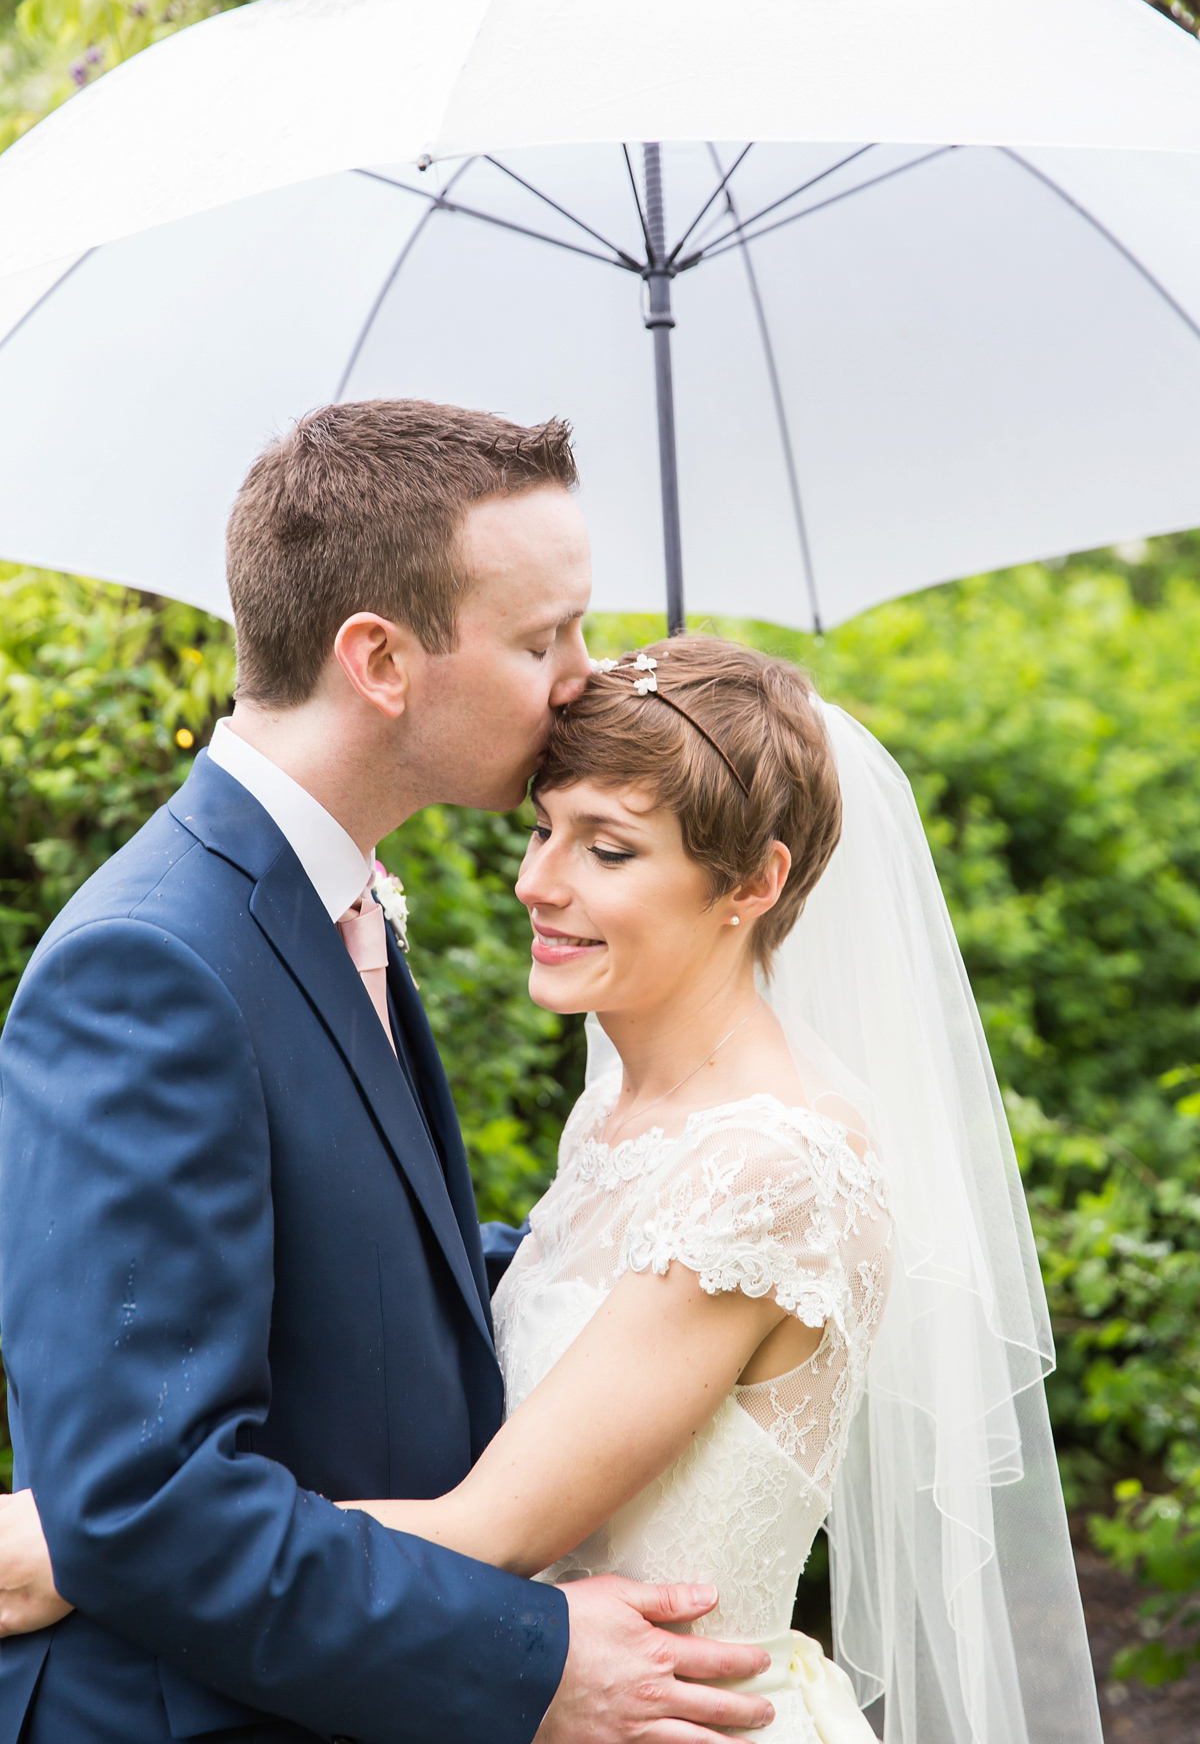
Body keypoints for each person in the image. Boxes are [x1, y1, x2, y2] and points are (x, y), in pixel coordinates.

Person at [1, 627, 1106, 1744]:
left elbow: (490, 1529)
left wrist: (89, 1546)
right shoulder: (622, 1114)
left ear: (755, 881)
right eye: (542, 828)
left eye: (609, 850)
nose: (538, 881)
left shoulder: (771, 1175)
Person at [0, 402, 777, 1744]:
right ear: (380, 660)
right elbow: (144, 1505)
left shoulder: (323, 899)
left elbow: (348, 1275)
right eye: (544, 639)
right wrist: (530, 1663)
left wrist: (674, 1232)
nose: (585, 678)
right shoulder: (152, 966)